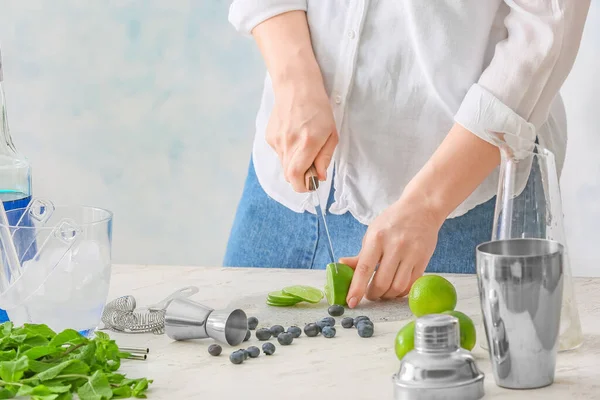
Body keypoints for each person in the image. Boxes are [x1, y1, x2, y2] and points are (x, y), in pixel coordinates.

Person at [223, 1, 590, 309]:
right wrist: (293, 80)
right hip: (285, 191)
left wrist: (427, 205)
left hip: (458, 207)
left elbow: (547, 28)